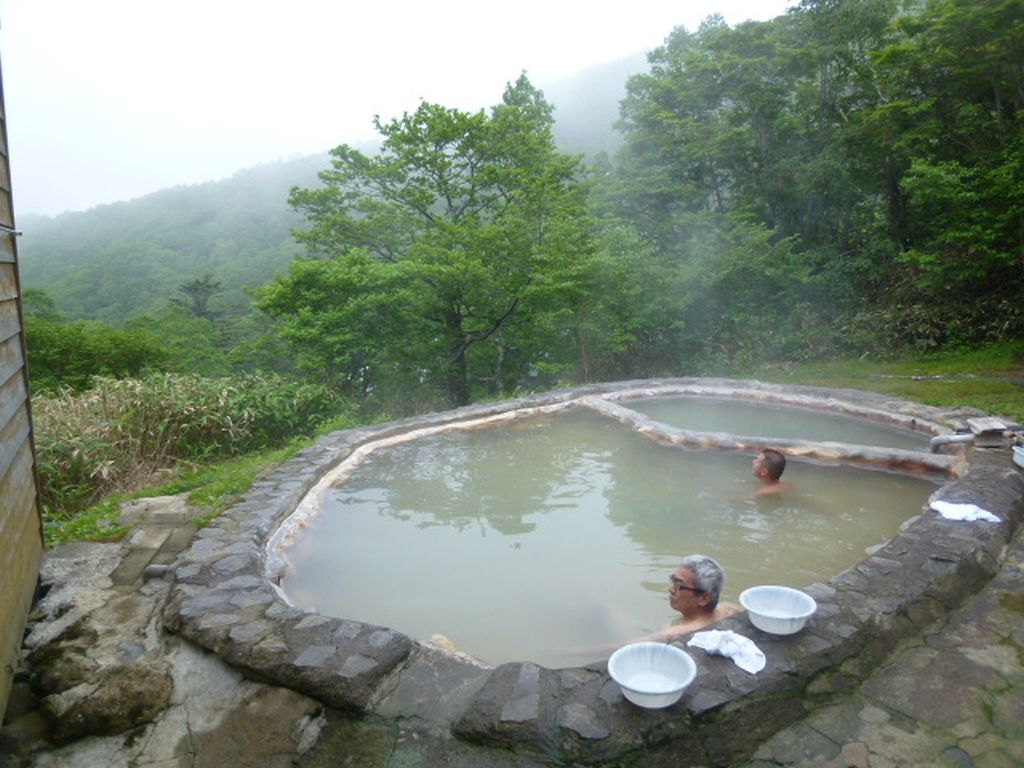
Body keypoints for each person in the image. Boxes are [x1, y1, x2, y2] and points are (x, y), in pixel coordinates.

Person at [655, 554, 740, 641]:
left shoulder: (674, 634)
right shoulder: (729, 609)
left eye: (679, 585)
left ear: (704, 599)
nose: (671, 590)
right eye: (673, 581)